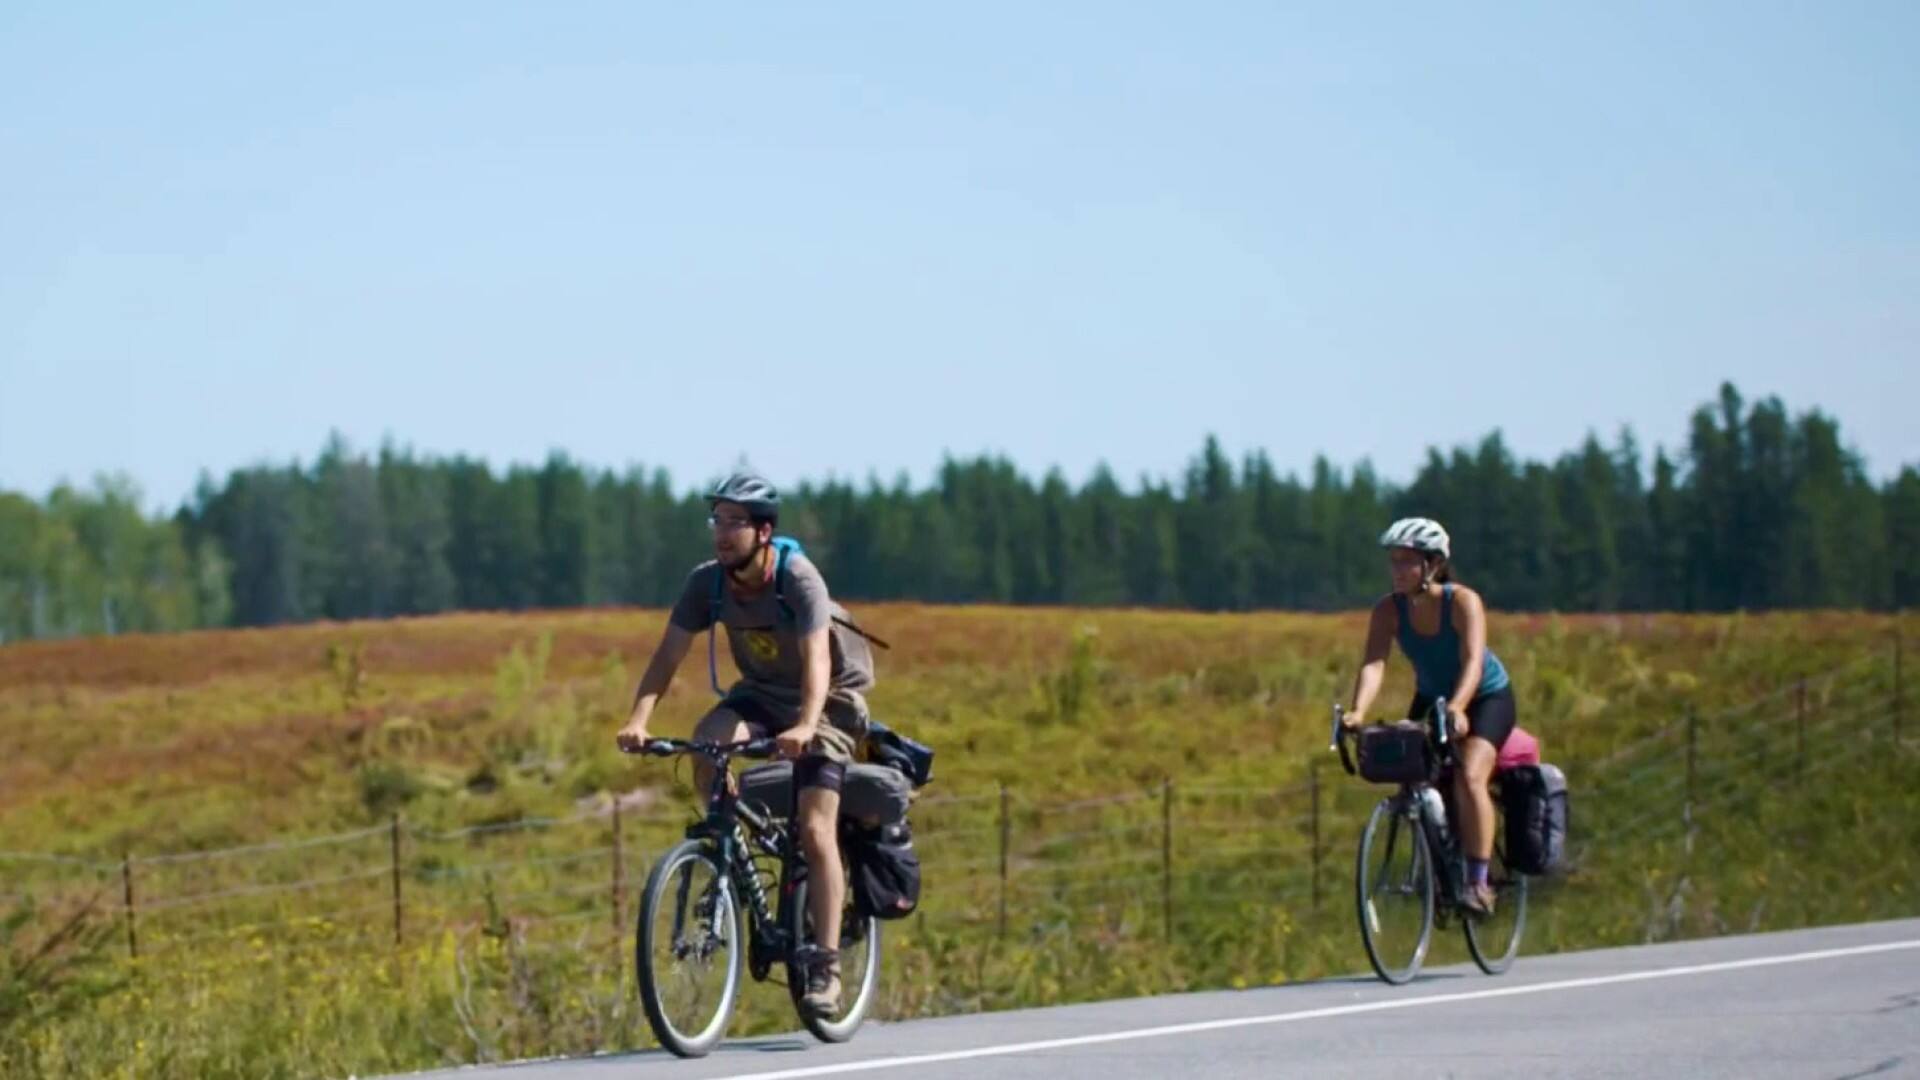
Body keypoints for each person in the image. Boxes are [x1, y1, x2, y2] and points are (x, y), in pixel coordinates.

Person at [615, 471, 875, 1016]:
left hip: (826, 703)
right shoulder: (705, 584)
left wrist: (806, 726)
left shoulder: (799, 579)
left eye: (736, 522)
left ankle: (826, 968)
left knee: (814, 825)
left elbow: (818, 661)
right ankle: (727, 845)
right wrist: (639, 718)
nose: (723, 531)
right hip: (759, 695)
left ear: (763, 532)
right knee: (706, 745)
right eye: (718, 519)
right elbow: (667, 656)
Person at [1343, 516, 1517, 915]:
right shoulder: (1388, 610)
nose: (1397, 570)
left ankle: (1478, 882)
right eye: (1394, 561)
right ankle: (1437, 861)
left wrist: (1458, 706)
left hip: (1486, 696)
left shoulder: (1462, 602)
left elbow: (1473, 660)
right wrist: (1357, 711)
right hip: (1431, 697)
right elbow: (1374, 662)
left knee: (1470, 774)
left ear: (1433, 565)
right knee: (1412, 769)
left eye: (1407, 561)